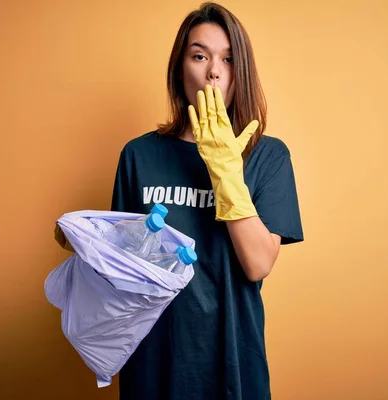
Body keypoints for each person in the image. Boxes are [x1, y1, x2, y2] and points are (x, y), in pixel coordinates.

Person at [110, 2, 304, 399]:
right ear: (180, 68)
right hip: (153, 361)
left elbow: (258, 264)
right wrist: (88, 243)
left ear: (240, 72)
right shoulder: (139, 155)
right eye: (200, 55)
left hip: (233, 362)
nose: (213, 70)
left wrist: (226, 174)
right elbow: (122, 267)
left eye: (228, 59)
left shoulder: (268, 156)